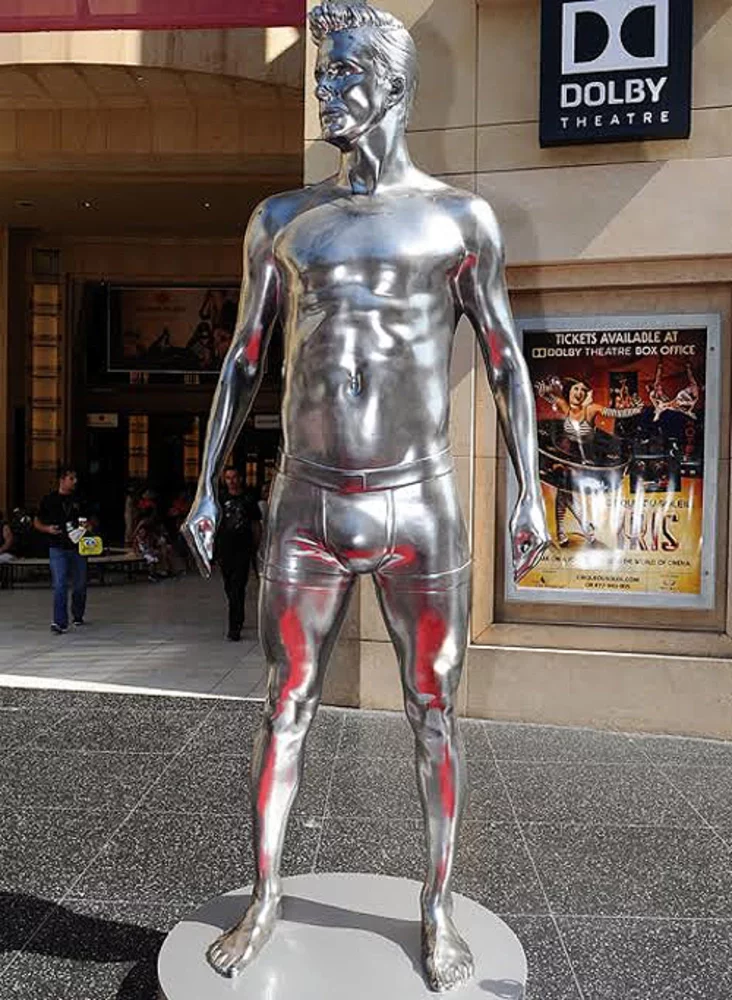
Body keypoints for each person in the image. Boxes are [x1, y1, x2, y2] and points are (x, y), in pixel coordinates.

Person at [183, 2, 548, 991]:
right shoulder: (283, 220)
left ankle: (437, 906)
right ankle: (265, 895)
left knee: (433, 710)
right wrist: (207, 482)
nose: (324, 87)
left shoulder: (459, 220)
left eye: (341, 70)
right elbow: (244, 358)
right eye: (321, 71)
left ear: (390, 82)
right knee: (283, 703)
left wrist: (531, 488)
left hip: (418, 503)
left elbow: (506, 360)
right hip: (306, 502)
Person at [535, 376, 643, 546]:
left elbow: (616, 413)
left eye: (583, 390)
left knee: (565, 493)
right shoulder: (565, 407)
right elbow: (549, 397)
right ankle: (573, 531)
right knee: (564, 492)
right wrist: (544, 391)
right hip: (568, 457)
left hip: (585, 460)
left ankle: (579, 529)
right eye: (576, 389)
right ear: (569, 391)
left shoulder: (591, 409)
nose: (579, 393)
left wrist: (636, 409)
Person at [34, 467, 90, 634]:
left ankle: (78, 614)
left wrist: (87, 526)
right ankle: (60, 622)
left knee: (80, 585)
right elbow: (36, 521)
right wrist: (47, 529)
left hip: (77, 547)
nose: (75, 481)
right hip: (57, 547)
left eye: (75, 478)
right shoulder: (49, 500)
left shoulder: (80, 499)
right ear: (62, 480)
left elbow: (89, 520)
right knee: (60, 584)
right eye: (71, 478)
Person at [216, 467, 261, 641]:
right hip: (225, 548)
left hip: (243, 548)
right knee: (229, 586)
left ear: (240, 478)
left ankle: (234, 627)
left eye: (234, 477)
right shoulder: (220, 498)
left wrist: (256, 546)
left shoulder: (249, 499)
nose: (232, 481)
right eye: (228, 478)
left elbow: (256, 524)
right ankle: (238, 615)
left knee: (237, 586)